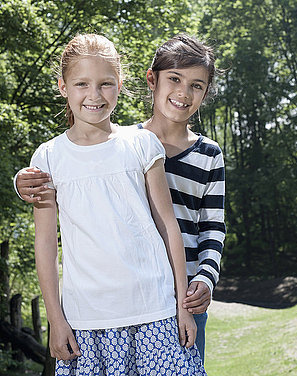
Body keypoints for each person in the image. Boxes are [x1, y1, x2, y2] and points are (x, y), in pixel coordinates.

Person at [15, 33, 226, 362]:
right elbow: (81, 167)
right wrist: (25, 180)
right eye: (174, 79)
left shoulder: (206, 153)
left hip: (183, 295)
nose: (184, 93)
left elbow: (212, 227)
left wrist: (205, 279)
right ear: (151, 81)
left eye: (197, 85)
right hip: (104, 307)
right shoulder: (130, 141)